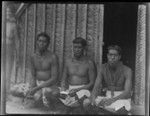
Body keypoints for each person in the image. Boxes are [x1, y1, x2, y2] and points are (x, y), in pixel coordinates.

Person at [84, 45, 132, 114]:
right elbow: (96, 86)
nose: (112, 57)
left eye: (115, 55)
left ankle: (105, 111)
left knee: (122, 108)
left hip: (121, 99)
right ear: (107, 55)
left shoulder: (127, 70)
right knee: (86, 103)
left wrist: (112, 100)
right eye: (110, 55)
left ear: (119, 57)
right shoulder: (102, 68)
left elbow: (127, 92)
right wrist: (93, 97)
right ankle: (104, 110)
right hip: (107, 97)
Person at [59, 37, 96, 110]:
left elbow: (92, 83)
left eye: (79, 47)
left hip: (83, 89)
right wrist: (63, 91)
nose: (77, 50)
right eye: (75, 47)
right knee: (55, 94)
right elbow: (63, 79)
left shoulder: (89, 63)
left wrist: (77, 90)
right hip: (70, 89)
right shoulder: (68, 62)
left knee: (83, 96)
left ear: (84, 48)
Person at [26, 32, 59, 109]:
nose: (41, 43)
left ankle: (45, 101)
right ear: (37, 42)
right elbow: (33, 75)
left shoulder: (53, 57)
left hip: (49, 85)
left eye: (44, 42)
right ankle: (38, 97)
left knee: (49, 93)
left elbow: (54, 78)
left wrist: (36, 89)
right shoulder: (33, 56)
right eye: (40, 41)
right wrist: (32, 87)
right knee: (15, 89)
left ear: (48, 44)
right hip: (37, 84)